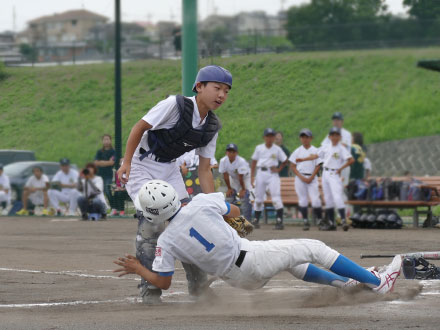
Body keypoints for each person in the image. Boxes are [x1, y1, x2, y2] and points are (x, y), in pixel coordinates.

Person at [113, 180, 402, 298]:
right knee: (314, 248)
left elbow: (163, 282)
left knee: (293, 261)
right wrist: (236, 224)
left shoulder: (166, 240)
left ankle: (345, 284)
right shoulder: (200, 202)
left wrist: (139, 268)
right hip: (248, 257)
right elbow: (236, 212)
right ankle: (377, 283)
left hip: (238, 279)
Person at [115, 65, 232, 304]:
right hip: (141, 163)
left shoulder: (211, 127)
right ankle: (150, 290)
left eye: (227, 91)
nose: (222, 95)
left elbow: (204, 169)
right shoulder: (175, 105)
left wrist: (214, 204)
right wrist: (127, 162)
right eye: (217, 88)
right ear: (199, 87)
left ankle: (199, 287)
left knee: (190, 223)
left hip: (169, 169)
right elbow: (139, 127)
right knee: (153, 222)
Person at [304, 127, 354, 231]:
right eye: (333, 135)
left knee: (337, 196)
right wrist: (304, 158)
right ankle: (331, 223)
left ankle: (343, 220)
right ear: (329, 137)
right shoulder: (326, 147)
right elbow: (316, 155)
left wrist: (340, 168)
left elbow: (351, 160)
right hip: (325, 172)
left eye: (337, 135)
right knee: (328, 199)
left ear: (340, 137)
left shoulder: (341, 148)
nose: (335, 137)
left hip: (334, 172)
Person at [250, 128, 288, 230]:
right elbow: (253, 162)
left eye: (272, 136)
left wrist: (279, 169)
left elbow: (285, 160)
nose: (270, 138)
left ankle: (279, 221)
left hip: (272, 174)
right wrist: (251, 177)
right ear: (264, 137)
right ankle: (256, 220)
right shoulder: (259, 148)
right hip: (261, 173)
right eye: (268, 136)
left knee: (276, 197)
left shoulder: (277, 149)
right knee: (258, 198)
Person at [289, 129, 323, 231]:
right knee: (303, 200)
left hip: (312, 177)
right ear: (300, 138)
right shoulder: (297, 151)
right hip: (300, 177)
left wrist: (311, 177)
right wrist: (302, 177)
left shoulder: (315, 150)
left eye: (307, 137)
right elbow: (293, 166)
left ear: (311, 138)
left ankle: (320, 220)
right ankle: (305, 221)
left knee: (315, 200)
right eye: (303, 137)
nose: (305, 139)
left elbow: (318, 165)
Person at [218, 143, 252, 221]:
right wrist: (229, 188)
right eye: (229, 151)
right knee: (230, 196)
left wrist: (243, 189)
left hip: (245, 178)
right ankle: (230, 220)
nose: (231, 153)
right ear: (226, 152)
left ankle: (247, 221)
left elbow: (241, 177)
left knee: (246, 196)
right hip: (233, 178)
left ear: (237, 153)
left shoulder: (241, 161)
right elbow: (225, 175)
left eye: (233, 151)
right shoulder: (223, 161)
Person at [322, 112, 352, 185]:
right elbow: (323, 146)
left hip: (343, 166)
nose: (336, 122)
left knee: (342, 188)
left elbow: (342, 146)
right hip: (331, 167)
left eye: (338, 120)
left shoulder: (346, 133)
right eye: (334, 120)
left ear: (342, 122)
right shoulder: (329, 135)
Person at [94, 134, 116, 215]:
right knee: (99, 192)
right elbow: (96, 162)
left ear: (110, 140)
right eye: (104, 139)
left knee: (107, 190)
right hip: (99, 175)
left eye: (107, 139)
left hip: (108, 175)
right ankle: (102, 209)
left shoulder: (113, 152)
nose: (106, 141)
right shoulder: (99, 152)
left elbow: (112, 162)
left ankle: (114, 208)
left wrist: (101, 162)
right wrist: (106, 162)